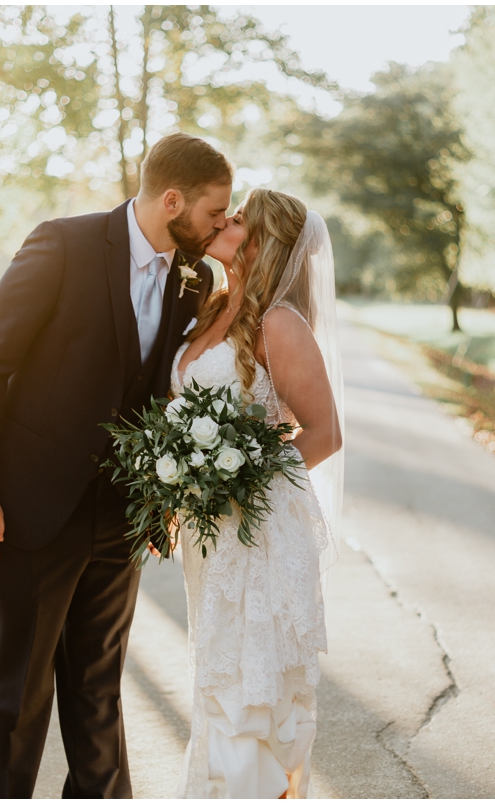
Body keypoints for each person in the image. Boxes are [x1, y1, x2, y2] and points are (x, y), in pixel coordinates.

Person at [0, 133, 233, 799]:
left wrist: (163, 494)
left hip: (123, 516)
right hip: (31, 507)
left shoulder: (194, 280)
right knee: (19, 692)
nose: (220, 224)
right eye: (214, 212)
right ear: (171, 201)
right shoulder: (63, 245)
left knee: (98, 690)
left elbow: (161, 391)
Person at [169, 188, 344, 798]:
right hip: (208, 530)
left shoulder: (279, 323)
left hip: (256, 530)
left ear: (264, 242)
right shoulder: (214, 304)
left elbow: (324, 433)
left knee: (249, 682)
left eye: (239, 218)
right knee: (216, 673)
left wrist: (241, 478)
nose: (226, 220)